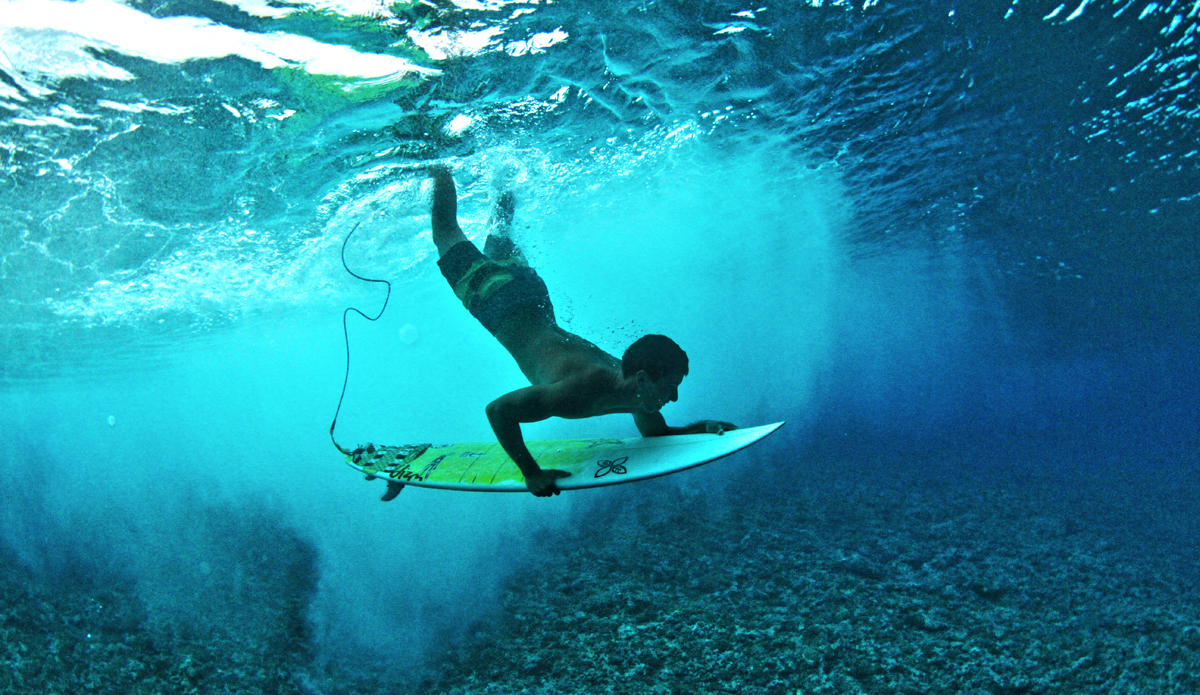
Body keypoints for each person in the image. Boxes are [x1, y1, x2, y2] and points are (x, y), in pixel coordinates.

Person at [429, 166, 736, 497]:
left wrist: (702, 429)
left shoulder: (637, 393)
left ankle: (501, 171)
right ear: (643, 378)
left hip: (529, 291)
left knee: (500, 231)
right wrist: (531, 473)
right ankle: (439, 164)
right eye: (670, 387)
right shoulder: (580, 390)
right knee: (445, 231)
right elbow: (498, 411)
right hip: (496, 301)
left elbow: (656, 436)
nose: (673, 397)